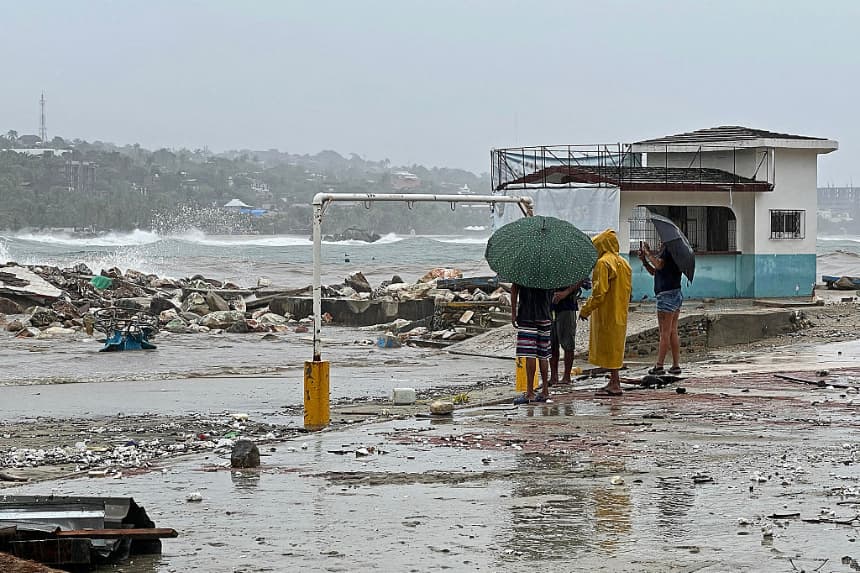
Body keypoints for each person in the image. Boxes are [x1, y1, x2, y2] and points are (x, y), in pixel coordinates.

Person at [578, 229, 632, 396]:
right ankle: (613, 381)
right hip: (620, 312)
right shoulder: (624, 263)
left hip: (606, 313)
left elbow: (599, 292)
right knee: (614, 349)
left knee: (609, 348)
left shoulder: (603, 263)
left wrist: (586, 310)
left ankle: (615, 384)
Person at [639, 241, 683, 375]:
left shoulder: (668, 250)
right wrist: (645, 261)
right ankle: (675, 365)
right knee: (672, 331)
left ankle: (659, 366)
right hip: (676, 293)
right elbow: (655, 272)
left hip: (666, 296)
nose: (658, 243)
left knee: (664, 332)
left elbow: (658, 265)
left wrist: (647, 253)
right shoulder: (677, 252)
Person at [511, 283, 553, 404]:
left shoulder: (523, 270)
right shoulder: (549, 272)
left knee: (530, 354)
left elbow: (514, 289)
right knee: (543, 354)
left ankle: (530, 392)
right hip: (544, 314)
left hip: (527, 315)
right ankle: (545, 390)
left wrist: (513, 312)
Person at [549, 278, 591, 386]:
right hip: (549, 307)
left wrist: (565, 293)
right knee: (552, 344)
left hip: (567, 307)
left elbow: (583, 280)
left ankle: (566, 376)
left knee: (567, 343)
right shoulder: (546, 264)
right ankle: (553, 376)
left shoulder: (572, 265)